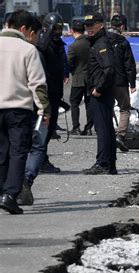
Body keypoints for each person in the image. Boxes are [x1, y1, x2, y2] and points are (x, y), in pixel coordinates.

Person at [0, 10, 50, 214]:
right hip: (18, 109)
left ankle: (1, 190)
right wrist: (44, 110)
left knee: (1, 152)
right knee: (18, 152)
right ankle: (10, 195)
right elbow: (37, 84)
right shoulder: (28, 50)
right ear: (24, 29)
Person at [28, 12, 69, 174]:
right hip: (45, 92)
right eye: (56, 28)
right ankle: (40, 160)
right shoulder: (43, 44)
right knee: (42, 129)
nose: (59, 32)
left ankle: (40, 159)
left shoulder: (56, 43)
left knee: (48, 129)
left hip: (54, 91)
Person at [82, 13, 117, 175]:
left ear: (101, 25)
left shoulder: (101, 43)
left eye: (92, 25)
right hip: (102, 92)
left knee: (102, 129)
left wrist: (99, 89)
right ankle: (109, 163)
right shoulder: (97, 42)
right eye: (86, 25)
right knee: (106, 128)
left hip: (100, 93)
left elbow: (109, 70)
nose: (88, 28)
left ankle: (103, 163)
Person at [107, 14, 137, 152]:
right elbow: (129, 65)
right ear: (122, 27)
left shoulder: (102, 40)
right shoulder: (123, 42)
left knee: (106, 108)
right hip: (120, 81)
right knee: (125, 108)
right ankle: (120, 135)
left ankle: (106, 136)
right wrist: (132, 84)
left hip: (104, 81)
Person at [68, 19, 93, 136]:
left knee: (74, 103)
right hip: (90, 78)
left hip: (78, 78)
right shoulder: (91, 42)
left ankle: (76, 127)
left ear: (72, 30)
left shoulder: (73, 46)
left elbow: (69, 63)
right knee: (89, 103)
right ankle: (88, 128)